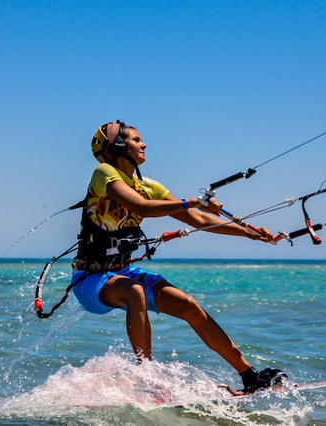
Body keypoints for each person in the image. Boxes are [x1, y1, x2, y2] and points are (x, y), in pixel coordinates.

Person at [70, 120, 287, 393]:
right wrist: (194, 201)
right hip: (90, 278)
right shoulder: (104, 173)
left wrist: (251, 233)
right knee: (135, 291)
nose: (144, 144)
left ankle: (249, 376)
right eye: (137, 140)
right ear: (119, 146)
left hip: (122, 270)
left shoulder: (149, 185)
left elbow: (198, 219)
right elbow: (142, 208)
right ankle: (146, 379)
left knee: (188, 305)